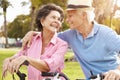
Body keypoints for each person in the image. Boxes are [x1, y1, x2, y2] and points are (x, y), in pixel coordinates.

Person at [22, 0, 120, 80]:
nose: (67, 20)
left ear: (84, 15)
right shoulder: (70, 34)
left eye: (70, 16)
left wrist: (117, 71)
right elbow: (51, 36)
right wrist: (34, 33)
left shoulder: (105, 33)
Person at [2, 3, 68, 80]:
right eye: (53, 17)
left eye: (59, 19)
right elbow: (20, 55)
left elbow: (49, 67)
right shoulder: (32, 40)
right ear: (42, 21)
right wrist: (9, 60)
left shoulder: (62, 45)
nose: (57, 21)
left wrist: (28, 59)